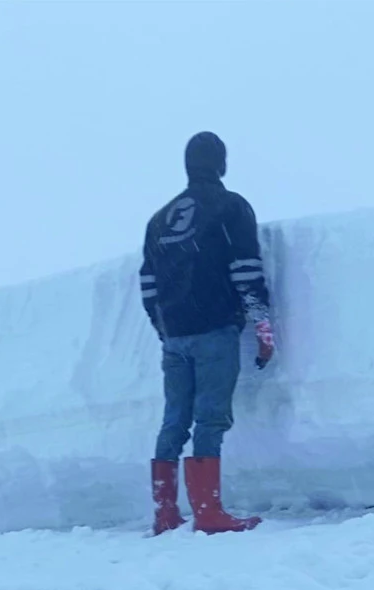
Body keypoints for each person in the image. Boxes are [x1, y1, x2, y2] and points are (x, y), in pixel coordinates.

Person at [140, 131, 275, 535]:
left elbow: (148, 283)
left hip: (175, 336)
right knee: (210, 419)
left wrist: (163, 328)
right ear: (222, 164)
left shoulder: (159, 219)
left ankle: (165, 513)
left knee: (174, 420)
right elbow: (245, 269)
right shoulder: (230, 206)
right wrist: (262, 326)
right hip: (214, 329)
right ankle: (208, 512)